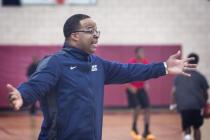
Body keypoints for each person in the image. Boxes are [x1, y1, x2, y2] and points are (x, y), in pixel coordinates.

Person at [7, 14, 196, 140]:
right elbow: (36, 84)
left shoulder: (98, 64)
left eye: (97, 31)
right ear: (74, 36)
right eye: (90, 31)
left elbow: (131, 71)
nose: (96, 36)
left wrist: (164, 67)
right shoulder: (55, 63)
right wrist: (22, 96)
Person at [171, 53, 209, 140]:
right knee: (197, 128)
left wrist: (172, 104)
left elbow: (173, 92)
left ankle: (187, 137)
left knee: (187, 127)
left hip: (183, 106)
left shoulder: (178, 76)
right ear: (197, 62)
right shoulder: (200, 77)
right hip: (196, 106)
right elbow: (205, 93)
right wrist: (205, 104)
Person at [126, 47, 154, 140]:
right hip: (132, 89)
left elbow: (147, 74)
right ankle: (134, 128)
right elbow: (124, 77)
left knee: (147, 108)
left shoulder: (145, 62)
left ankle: (146, 130)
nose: (143, 53)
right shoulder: (131, 62)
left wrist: (146, 83)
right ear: (136, 53)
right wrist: (130, 87)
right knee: (137, 107)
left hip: (141, 88)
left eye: (143, 51)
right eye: (141, 51)